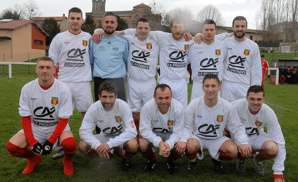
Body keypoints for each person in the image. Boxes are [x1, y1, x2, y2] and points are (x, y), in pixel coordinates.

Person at [6, 56, 77, 176]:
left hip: (56, 126)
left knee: (70, 144)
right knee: (12, 147)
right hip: (36, 127)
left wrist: (51, 141)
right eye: (41, 67)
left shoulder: (63, 89)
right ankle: (33, 159)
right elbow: (25, 117)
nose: (45, 71)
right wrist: (32, 141)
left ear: (54, 70)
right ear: (36, 69)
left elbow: (64, 119)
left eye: (48, 67)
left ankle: (67, 160)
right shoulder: (27, 89)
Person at [179, 74, 251, 175]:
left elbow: (237, 127)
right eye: (207, 86)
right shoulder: (194, 104)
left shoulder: (226, 106)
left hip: (217, 138)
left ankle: (216, 158)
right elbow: (187, 126)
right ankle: (192, 162)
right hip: (198, 137)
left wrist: (243, 142)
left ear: (219, 87)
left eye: (213, 86)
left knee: (233, 151)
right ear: (202, 87)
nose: (210, 89)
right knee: (190, 146)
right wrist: (183, 140)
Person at [122, 17, 194, 107]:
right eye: (175, 27)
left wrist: (199, 34)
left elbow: (204, 38)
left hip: (181, 82)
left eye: (180, 27)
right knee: (162, 109)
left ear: (184, 28)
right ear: (171, 28)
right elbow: (142, 31)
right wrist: (101, 31)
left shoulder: (190, 41)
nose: (178, 30)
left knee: (181, 110)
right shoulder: (163, 37)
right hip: (165, 80)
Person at [78, 80, 138, 171]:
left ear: (116, 97)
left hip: (121, 138)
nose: (107, 101)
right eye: (104, 97)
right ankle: (104, 157)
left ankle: (126, 159)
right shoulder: (94, 108)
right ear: (99, 97)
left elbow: (132, 131)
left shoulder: (123, 106)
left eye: (111, 97)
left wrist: (110, 144)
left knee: (133, 144)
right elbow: (83, 132)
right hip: (105, 137)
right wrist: (97, 145)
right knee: (82, 146)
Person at [232, 85, 286, 182]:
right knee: (230, 151)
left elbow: (280, 141)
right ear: (246, 97)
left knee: (273, 148)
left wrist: (278, 172)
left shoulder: (268, 112)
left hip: (257, 136)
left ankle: (257, 159)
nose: (255, 103)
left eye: (259, 99)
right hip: (239, 137)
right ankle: (241, 159)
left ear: (264, 99)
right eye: (252, 99)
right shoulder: (235, 106)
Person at [49, 7, 93, 120]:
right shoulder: (59, 38)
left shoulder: (88, 37)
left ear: (82, 20)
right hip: (64, 81)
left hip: (83, 82)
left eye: (78, 18)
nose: (75, 21)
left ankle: (86, 136)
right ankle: (62, 136)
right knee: (61, 113)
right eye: (72, 18)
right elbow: (52, 60)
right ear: (68, 19)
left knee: (87, 113)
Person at [139, 84, 184, 174]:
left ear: (172, 96)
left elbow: (178, 132)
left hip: (170, 135)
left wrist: (169, 144)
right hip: (154, 134)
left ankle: (170, 161)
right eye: (160, 98)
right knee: (142, 144)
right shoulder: (147, 107)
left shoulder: (179, 108)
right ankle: (151, 160)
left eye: (167, 98)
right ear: (154, 97)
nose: (164, 102)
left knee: (181, 146)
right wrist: (159, 142)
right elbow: (144, 130)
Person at [218, 16, 262, 102]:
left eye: (242, 26)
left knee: (243, 114)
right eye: (237, 26)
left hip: (244, 85)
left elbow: (256, 69)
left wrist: (255, 90)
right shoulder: (225, 43)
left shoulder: (253, 46)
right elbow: (211, 38)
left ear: (246, 28)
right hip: (228, 85)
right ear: (232, 27)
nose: (240, 29)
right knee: (227, 113)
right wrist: (199, 35)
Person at [89, 12, 129, 102]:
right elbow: (91, 60)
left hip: (118, 80)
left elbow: (126, 60)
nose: (109, 25)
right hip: (100, 80)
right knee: (101, 110)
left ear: (116, 25)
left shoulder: (123, 41)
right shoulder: (94, 40)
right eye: (107, 22)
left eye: (112, 22)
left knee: (119, 111)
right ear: (102, 23)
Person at [188, 19, 226, 100]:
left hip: (215, 86)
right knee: (197, 111)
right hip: (198, 86)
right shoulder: (193, 45)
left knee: (215, 111)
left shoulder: (222, 46)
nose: (209, 32)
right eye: (206, 30)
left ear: (215, 31)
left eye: (211, 30)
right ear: (202, 31)